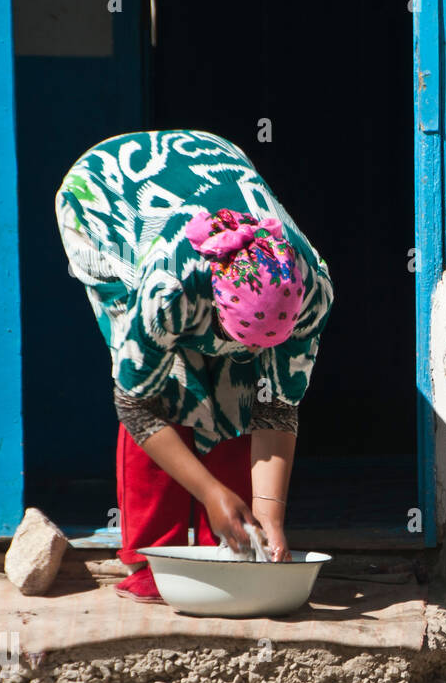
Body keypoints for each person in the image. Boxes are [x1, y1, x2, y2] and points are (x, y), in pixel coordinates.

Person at [55, 130, 333, 601]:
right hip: (107, 199)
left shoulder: (310, 289)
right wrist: (208, 489)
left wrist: (271, 516)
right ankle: (150, 560)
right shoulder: (168, 289)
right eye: (233, 337)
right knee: (166, 386)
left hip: (210, 165)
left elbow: (278, 406)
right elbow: (135, 404)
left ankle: (228, 543)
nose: (243, 352)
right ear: (214, 307)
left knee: (242, 387)